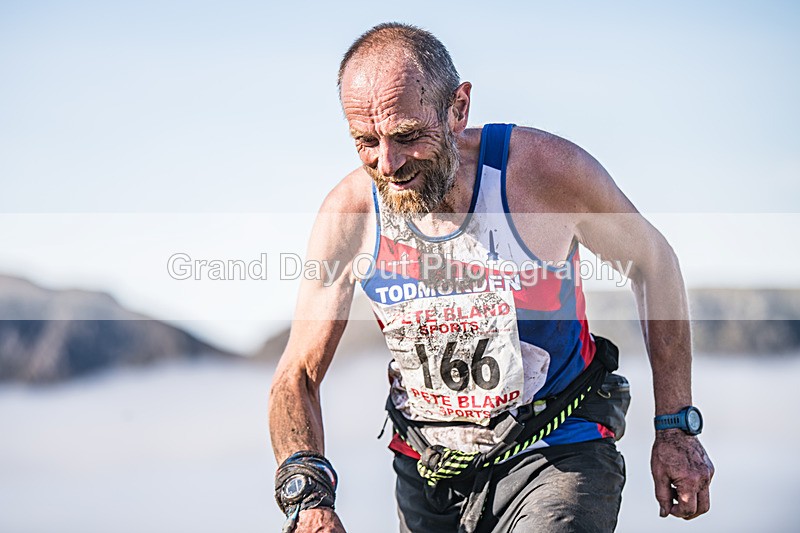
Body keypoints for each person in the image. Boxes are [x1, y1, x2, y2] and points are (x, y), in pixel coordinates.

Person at [269, 22, 714, 533]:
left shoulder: (542, 174)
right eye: (366, 142)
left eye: (408, 136)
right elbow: (295, 374)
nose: (388, 164)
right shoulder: (350, 214)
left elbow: (653, 263)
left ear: (458, 108)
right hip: (429, 473)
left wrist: (676, 425)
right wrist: (307, 497)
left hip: (557, 453)